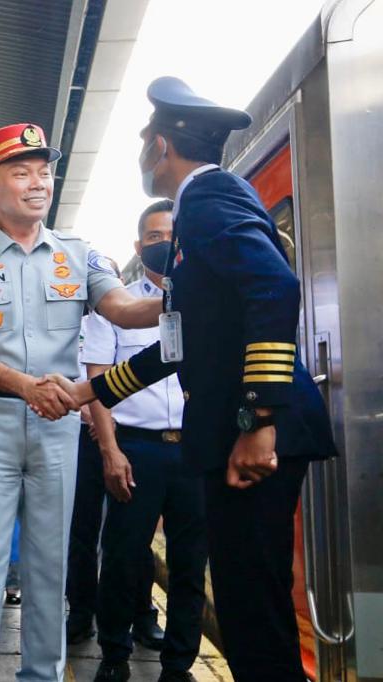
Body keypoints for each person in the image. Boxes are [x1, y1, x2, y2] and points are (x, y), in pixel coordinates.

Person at [57, 78, 337, 682]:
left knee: (253, 608)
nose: (140, 157)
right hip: (237, 432)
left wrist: (259, 422)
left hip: (255, 435)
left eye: (142, 146)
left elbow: (275, 287)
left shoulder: (208, 198)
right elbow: (181, 345)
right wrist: (88, 392)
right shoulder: (196, 210)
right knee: (245, 601)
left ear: (161, 147)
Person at [0, 123, 163, 681]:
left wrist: (182, 290)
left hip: (57, 428)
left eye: (44, 172)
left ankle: (41, 675)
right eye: (20, 172)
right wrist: (26, 386)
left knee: (48, 565)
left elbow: (126, 309)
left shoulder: (81, 255)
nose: (38, 184)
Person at [84, 200, 206, 682]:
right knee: (122, 554)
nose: (164, 244)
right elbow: (96, 381)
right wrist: (110, 450)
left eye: (172, 235)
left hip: (195, 448)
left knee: (190, 561)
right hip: (136, 447)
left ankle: (178, 664)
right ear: (139, 246)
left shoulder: (205, 302)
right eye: (154, 237)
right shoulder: (114, 306)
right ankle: (114, 655)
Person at [67, 264, 163, 652]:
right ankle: (80, 611)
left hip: (124, 432)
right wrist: (89, 414)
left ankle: (143, 612)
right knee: (82, 529)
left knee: (130, 533)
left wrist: (103, 418)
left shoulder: (126, 314)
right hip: (82, 432)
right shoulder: (69, 322)